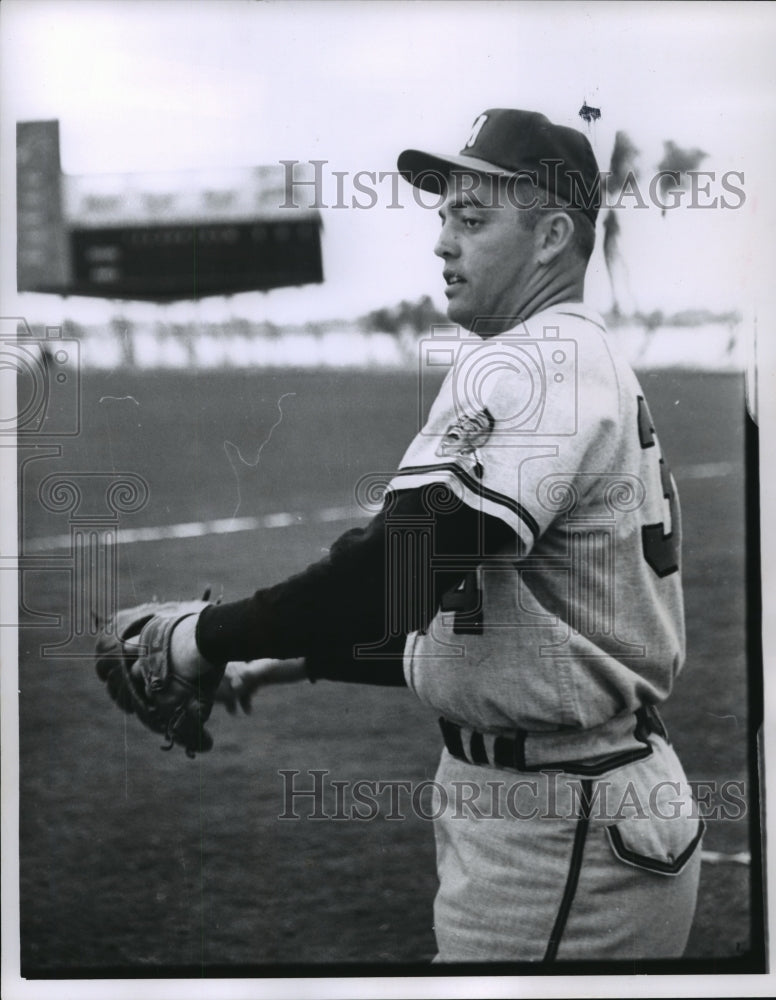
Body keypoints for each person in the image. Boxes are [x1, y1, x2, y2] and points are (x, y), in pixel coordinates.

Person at [170, 109, 705, 962]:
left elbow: (404, 565)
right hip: (556, 797)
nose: (442, 243)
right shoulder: (555, 357)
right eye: (443, 217)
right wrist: (292, 658)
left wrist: (201, 636)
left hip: (564, 816)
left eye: (473, 218)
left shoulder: (540, 362)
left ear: (551, 236)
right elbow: (500, 625)